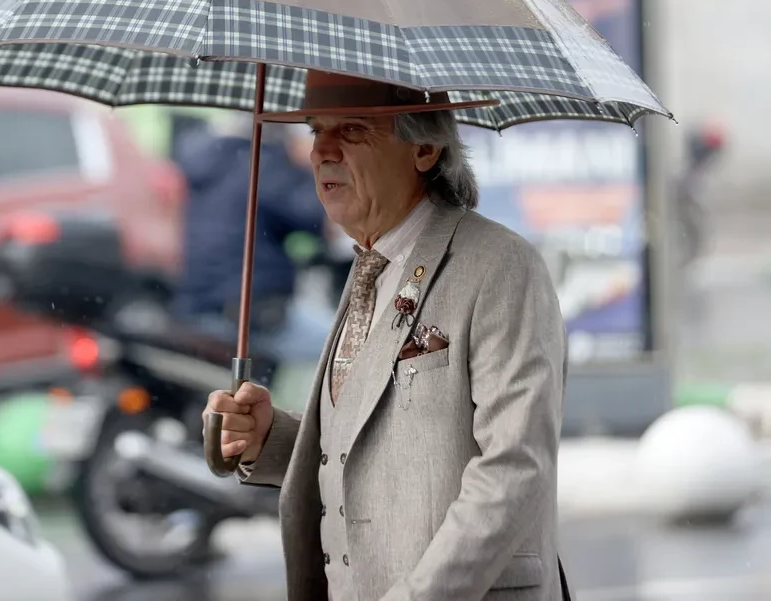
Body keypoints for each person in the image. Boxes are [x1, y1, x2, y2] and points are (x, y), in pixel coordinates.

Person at [204, 70, 570, 601]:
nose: (322, 151)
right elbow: (378, 444)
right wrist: (271, 439)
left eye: (352, 130)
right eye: (315, 130)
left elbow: (515, 468)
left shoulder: (502, 267)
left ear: (423, 148)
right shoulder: (369, 266)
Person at [173, 112, 326, 381]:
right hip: (251, 310)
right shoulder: (261, 164)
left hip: (202, 301)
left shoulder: (213, 161)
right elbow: (314, 216)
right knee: (346, 346)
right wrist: (311, 168)